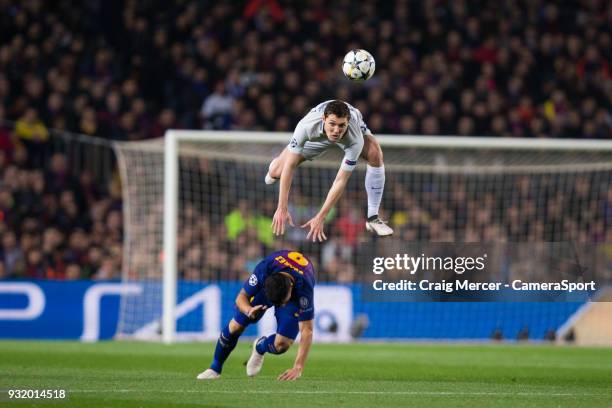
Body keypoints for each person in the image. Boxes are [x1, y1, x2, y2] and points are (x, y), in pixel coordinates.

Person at [266, 100, 393, 242]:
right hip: (318, 138)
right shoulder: (306, 127)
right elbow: (290, 166)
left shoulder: (355, 138)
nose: (336, 130)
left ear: (347, 122)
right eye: (332, 124)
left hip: (352, 133)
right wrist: (282, 207)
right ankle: (274, 168)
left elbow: (340, 180)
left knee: (375, 154)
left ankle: (373, 217)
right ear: (324, 119)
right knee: (277, 171)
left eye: (341, 125)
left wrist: (321, 216)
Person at [197, 249, 315, 380]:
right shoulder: (264, 269)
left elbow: (307, 330)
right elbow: (241, 297)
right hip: (273, 282)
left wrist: (298, 367)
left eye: (281, 303)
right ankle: (214, 368)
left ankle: (260, 346)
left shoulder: (304, 288)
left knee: (282, 345)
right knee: (236, 325)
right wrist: (248, 310)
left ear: (291, 289)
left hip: (293, 295)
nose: (279, 306)